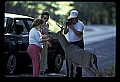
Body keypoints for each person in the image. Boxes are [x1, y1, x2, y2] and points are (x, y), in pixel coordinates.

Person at [63, 10, 85, 77]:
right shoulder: (70, 23)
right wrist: (65, 26)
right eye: (71, 18)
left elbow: (79, 34)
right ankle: (69, 74)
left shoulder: (80, 24)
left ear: (77, 18)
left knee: (79, 60)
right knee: (69, 60)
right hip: (71, 44)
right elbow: (65, 32)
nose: (72, 20)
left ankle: (78, 75)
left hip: (79, 43)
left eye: (73, 18)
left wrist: (72, 28)